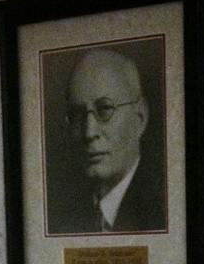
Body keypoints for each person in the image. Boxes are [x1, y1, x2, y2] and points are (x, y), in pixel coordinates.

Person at [51, 46, 165, 233]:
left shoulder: (163, 210)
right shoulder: (62, 219)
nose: (89, 133)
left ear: (140, 118)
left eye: (104, 109)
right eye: (77, 114)